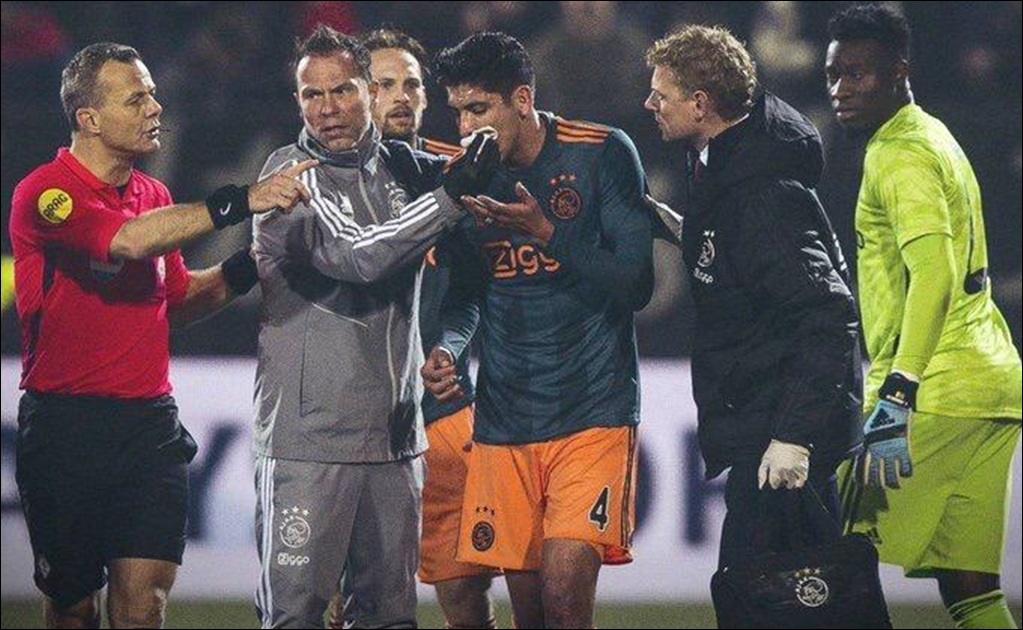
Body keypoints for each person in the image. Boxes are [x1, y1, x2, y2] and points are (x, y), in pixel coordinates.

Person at [8, 42, 309, 629]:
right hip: (66, 427)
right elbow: (128, 242)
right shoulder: (46, 193)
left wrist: (252, 263)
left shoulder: (155, 196)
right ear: (88, 119)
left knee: (144, 607)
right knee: (73, 608)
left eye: (151, 92)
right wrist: (243, 200)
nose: (155, 105)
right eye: (137, 96)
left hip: (149, 429)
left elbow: (177, 303)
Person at [251, 26, 498, 629]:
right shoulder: (288, 177)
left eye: (342, 91)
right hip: (309, 442)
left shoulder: (404, 171)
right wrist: (449, 198)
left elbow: (482, 234)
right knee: (297, 616)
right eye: (312, 95)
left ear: (368, 92)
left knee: (391, 618)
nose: (328, 108)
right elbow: (359, 256)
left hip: (395, 440)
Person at [424, 32, 653, 630]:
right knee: (530, 615)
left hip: (592, 412)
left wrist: (549, 233)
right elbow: (467, 295)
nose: (466, 125)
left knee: (563, 600)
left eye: (478, 109)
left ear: (521, 99)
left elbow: (636, 284)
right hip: (504, 422)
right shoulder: (463, 180)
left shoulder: (601, 151)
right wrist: (449, 348)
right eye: (457, 112)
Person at [826, 5, 1022, 629]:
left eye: (858, 74)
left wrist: (898, 393)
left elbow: (934, 272)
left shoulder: (899, 155)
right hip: (989, 385)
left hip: (934, 389)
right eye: (833, 75)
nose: (841, 89)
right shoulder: (934, 134)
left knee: (819, 539)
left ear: (899, 71)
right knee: (973, 593)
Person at [643, 25, 862, 572]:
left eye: (661, 95)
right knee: (790, 601)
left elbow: (829, 315)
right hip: (765, 427)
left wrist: (793, 437)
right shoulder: (731, 170)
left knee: (771, 598)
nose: (649, 104)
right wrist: (682, 227)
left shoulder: (761, 194)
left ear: (700, 104)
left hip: (780, 436)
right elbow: (744, 262)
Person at [365, 27, 499, 630]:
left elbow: (468, 294)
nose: (400, 96)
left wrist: (450, 346)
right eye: (384, 84)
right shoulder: (320, 184)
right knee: (352, 602)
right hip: (354, 431)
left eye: (412, 85)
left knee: (467, 603)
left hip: (442, 417)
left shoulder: (461, 178)